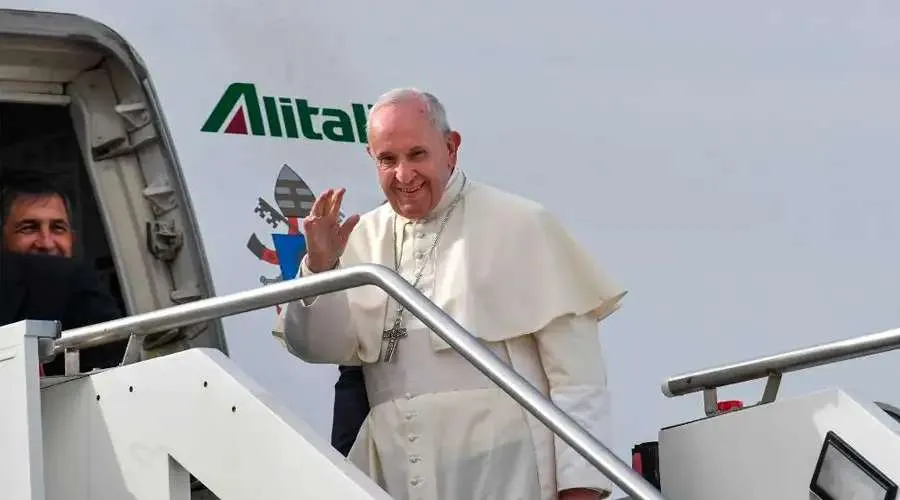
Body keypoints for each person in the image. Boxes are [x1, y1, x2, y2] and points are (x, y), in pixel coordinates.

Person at [275, 88, 626, 500]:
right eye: (388, 160)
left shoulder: (520, 223)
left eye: (417, 155)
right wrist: (320, 268)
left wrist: (580, 488)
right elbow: (315, 347)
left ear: (451, 148)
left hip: (509, 473)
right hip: (394, 471)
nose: (404, 175)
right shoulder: (359, 236)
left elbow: (578, 380)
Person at [0, 178, 125, 374]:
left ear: (72, 239)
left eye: (57, 228)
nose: (47, 243)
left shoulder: (87, 293)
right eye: (28, 228)